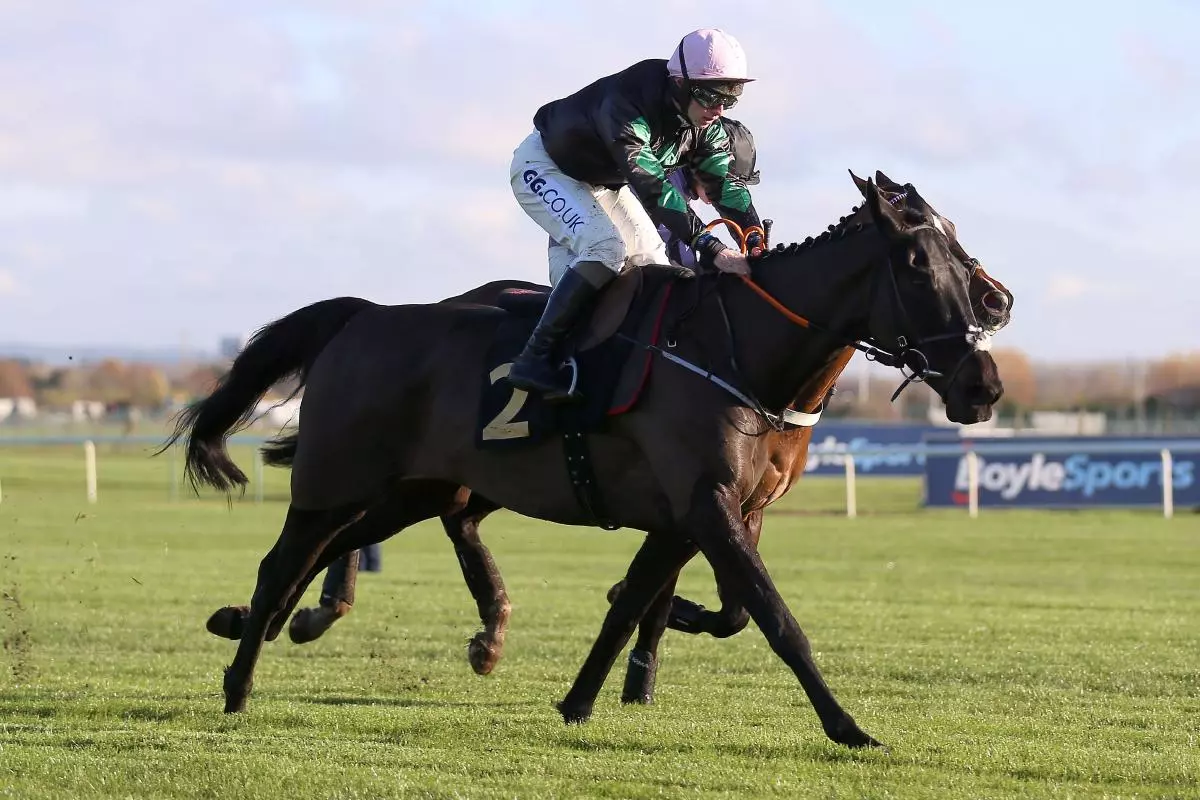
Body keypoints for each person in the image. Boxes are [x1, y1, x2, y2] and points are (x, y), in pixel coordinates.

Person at [506, 28, 764, 400]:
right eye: (711, 96)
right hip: (545, 167)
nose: (719, 109)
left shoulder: (705, 124)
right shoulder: (628, 105)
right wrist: (713, 249)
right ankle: (534, 358)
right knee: (606, 249)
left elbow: (726, 188)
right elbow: (656, 190)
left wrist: (755, 237)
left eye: (731, 98)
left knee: (656, 265)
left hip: (601, 182)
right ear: (680, 82)